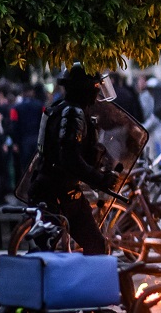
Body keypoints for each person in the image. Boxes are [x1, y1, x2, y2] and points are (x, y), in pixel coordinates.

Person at [26, 63, 119, 254]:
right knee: (45, 255)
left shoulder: (65, 109)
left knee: (96, 246)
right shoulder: (72, 113)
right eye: (95, 86)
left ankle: (88, 284)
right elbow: (70, 159)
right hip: (54, 194)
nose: (98, 92)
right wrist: (100, 179)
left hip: (66, 193)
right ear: (85, 88)